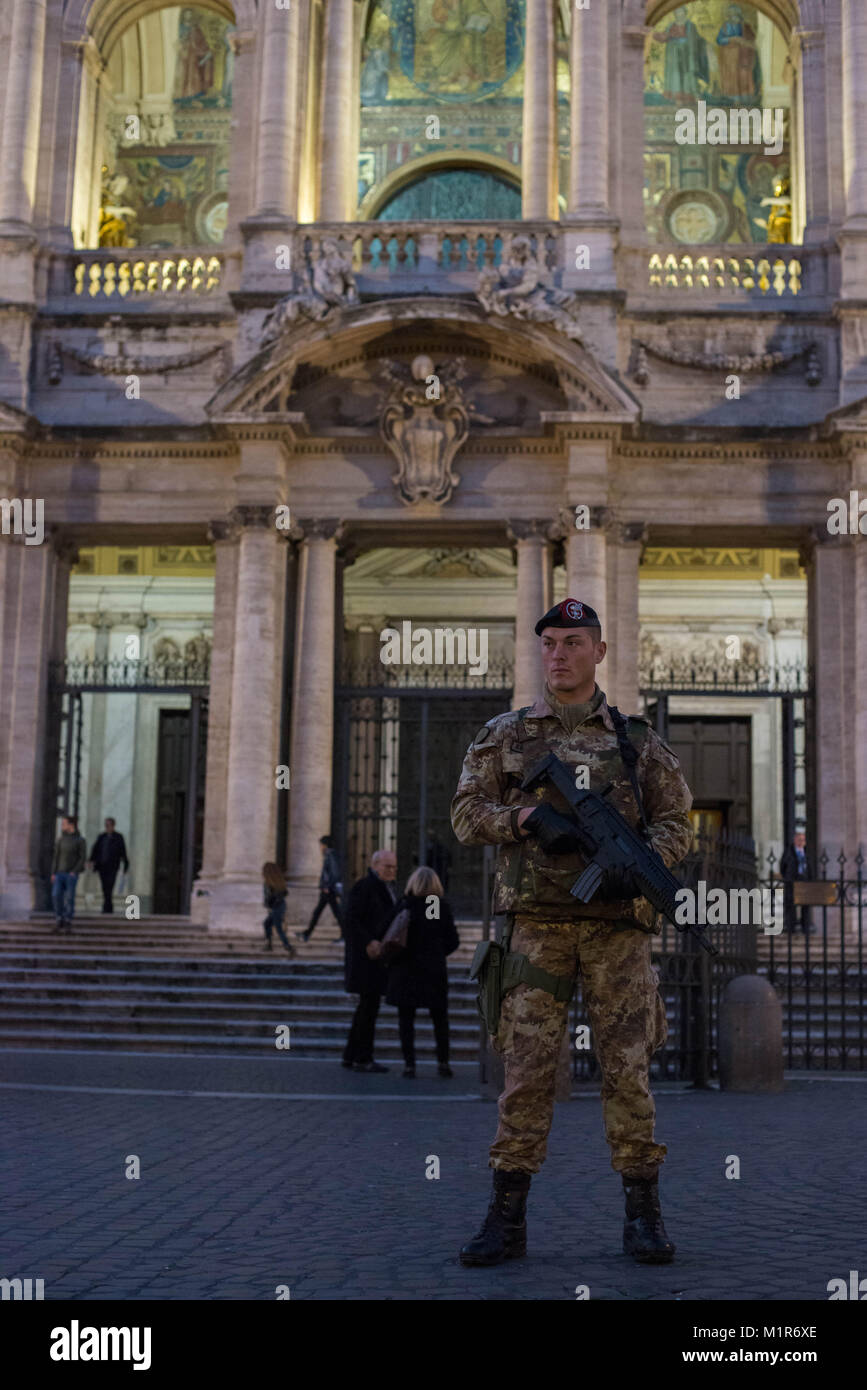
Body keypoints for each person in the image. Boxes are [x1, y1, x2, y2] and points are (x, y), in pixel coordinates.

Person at [451, 598, 693, 1267]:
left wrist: (640, 867)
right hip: (534, 930)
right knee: (524, 1074)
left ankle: (642, 1214)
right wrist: (525, 820)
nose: (558, 654)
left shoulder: (634, 740)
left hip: (617, 932)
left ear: (598, 652)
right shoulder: (504, 735)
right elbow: (466, 814)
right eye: (549, 643)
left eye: (572, 643)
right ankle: (506, 1217)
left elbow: (677, 820)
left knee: (626, 1072)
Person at [382, 865, 460, 1078]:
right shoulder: (434, 904)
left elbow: (386, 932)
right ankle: (443, 1062)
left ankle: (410, 1065)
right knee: (439, 1019)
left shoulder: (405, 904)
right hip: (432, 970)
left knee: (406, 1020)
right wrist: (436, 952)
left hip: (405, 969)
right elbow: (451, 939)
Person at [341, 849, 398, 1073]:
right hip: (367, 958)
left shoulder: (385, 888)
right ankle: (363, 1057)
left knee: (367, 1007)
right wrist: (368, 942)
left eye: (394, 867)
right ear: (375, 865)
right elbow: (351, 919)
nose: (392, 871)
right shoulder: (365, 886)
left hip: (377, 957)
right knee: (368, 1008)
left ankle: (351, 1054)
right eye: (387, 867)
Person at [51, 814, 88, 934]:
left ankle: (68, 919)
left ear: (71, 825)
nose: (62, 826)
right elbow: (56, 857)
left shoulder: (80, 840)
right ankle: (58, 918)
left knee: (69, 897)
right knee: (56, 895)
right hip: (59, 873)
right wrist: (53, 872)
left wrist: (74, 871)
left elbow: (82, 858)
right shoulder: (60, 840)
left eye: (64, 824)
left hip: (71, 874)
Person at [301, 836, 343, 941]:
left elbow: (335, 873)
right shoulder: (329, 855)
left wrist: (327, 886)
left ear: (324, 845)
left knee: (336, 913)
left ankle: (345, 935)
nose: (320, 847)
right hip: (326, 889)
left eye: (320, 845)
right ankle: (307, 933)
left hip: (328, 890)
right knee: (319, 912)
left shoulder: (331, 855)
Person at [88, 817, 129, 914]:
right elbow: (95, 849)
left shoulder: (118, 837)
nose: (107, 827)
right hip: (102, 866)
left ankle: (107, 906)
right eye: (106, 825)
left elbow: (123, 851)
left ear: (113, 826)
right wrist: (91, 861)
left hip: (113, 866)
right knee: (104, 887)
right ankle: (108, 906)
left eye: (109, 825)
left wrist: (126, 864)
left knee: (110, 886)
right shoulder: (101, 837)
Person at [779, 829, 815, 935]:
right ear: (795, 840)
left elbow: (811, 867)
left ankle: (805, 929)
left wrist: (811, 880)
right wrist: (787, 877)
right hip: (792, 881)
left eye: (803, 840)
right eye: (799, 840)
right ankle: (791, 929)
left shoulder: (807, 852)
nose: (801, 842)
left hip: (805, 881)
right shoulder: (789, 851)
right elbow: (783, 867)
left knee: (806, 906)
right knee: (791, 905)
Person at [262, 862, 295, 956]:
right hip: (279, 906)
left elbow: (272, 897)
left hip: (277, 907)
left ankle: (288, 946)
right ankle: (269, 944)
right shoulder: (276, 882)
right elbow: (284, 893)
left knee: (278, 928)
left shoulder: (270, 883)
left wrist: (270, 903)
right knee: (267, 924)